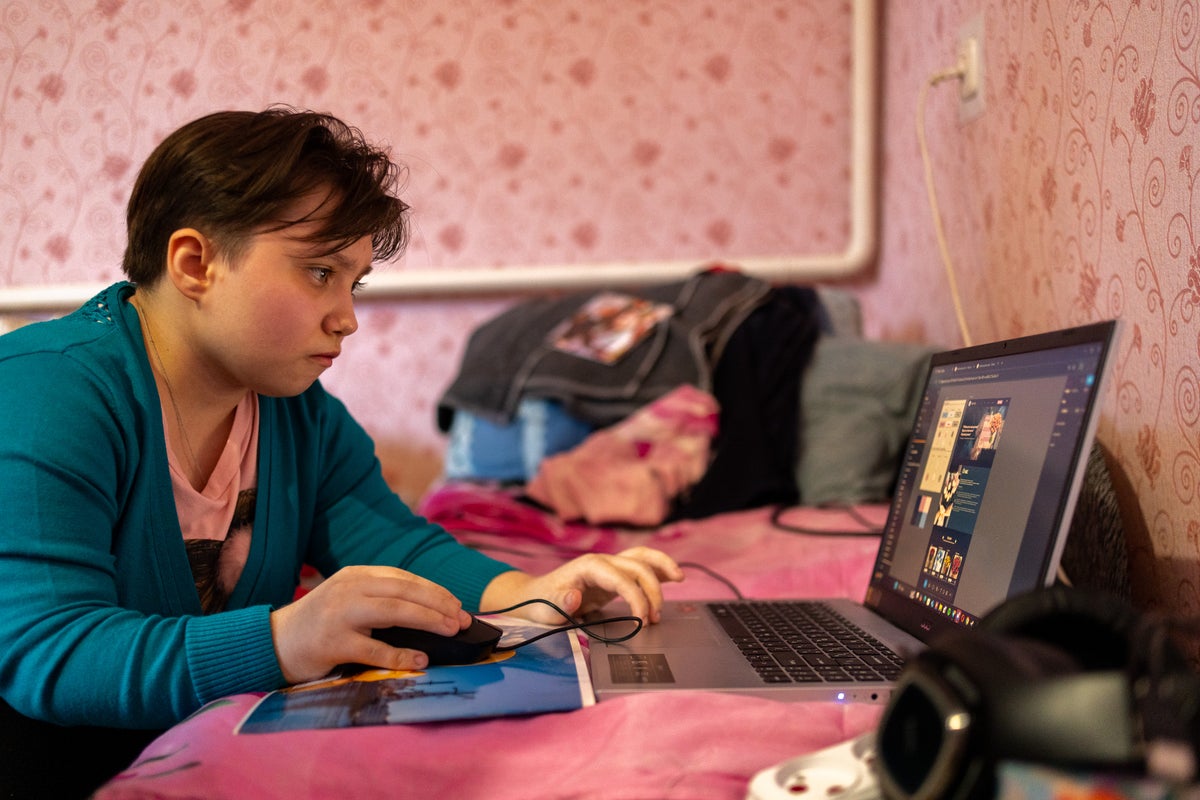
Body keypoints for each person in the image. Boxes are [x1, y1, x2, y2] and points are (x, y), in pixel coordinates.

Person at [0, 107, 683, 797]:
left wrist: (535, 592)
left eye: (352, 283)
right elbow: (47, 646)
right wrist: (282, 641)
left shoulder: (298, 412)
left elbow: (390, 541)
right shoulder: (45, 390)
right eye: (319, 272)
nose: (347, 319)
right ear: (195, 264)